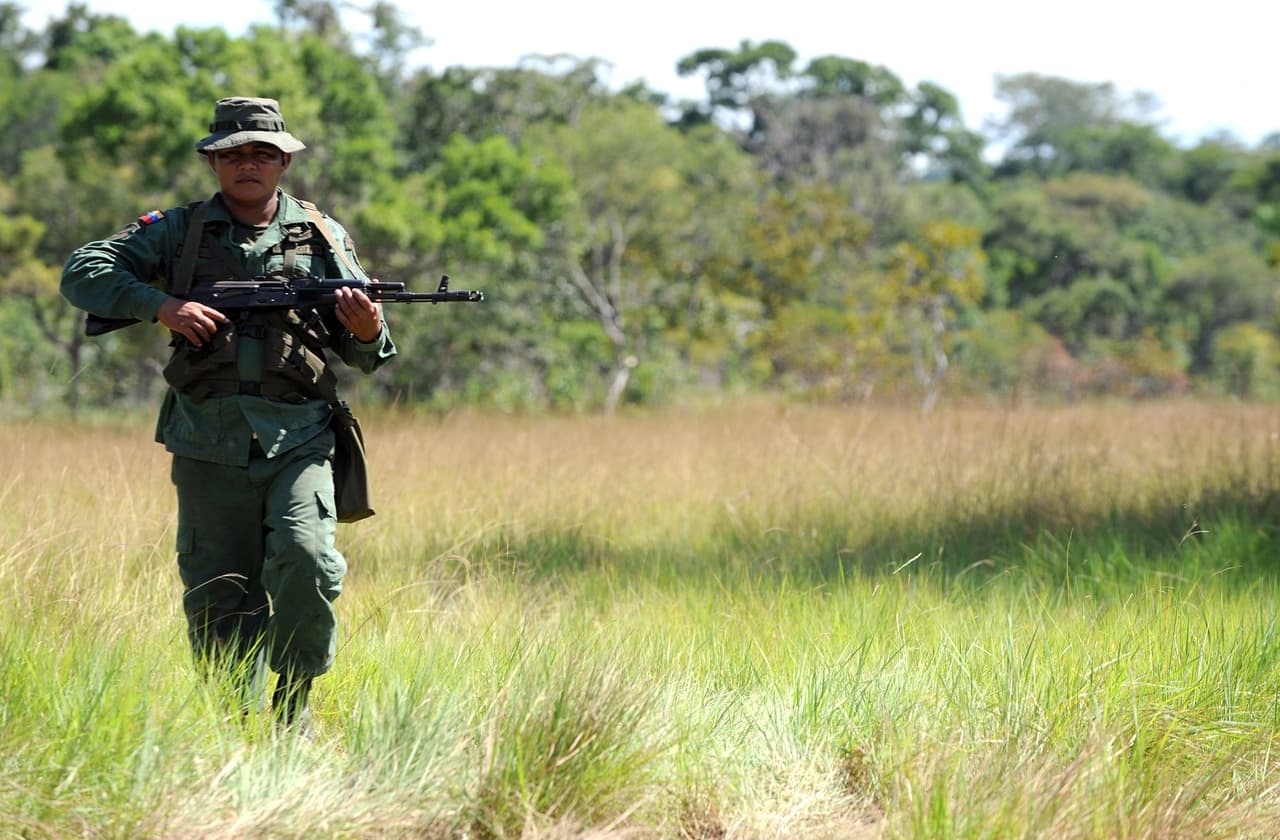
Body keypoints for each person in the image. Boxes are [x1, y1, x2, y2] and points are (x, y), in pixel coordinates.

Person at [61, 96, 397, 729]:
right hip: (206, 439)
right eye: (235, 153)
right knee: (219, 589)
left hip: (298, 435)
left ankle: (292, 705)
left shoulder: (322, 234)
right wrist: (159, 305)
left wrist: (368, 324)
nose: (249, 164)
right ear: (213, 161)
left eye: (263, 153)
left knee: (307, 559)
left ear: (284, 163)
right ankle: (233, 726)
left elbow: (371, 353)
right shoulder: (176, 231)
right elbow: (83, 271)